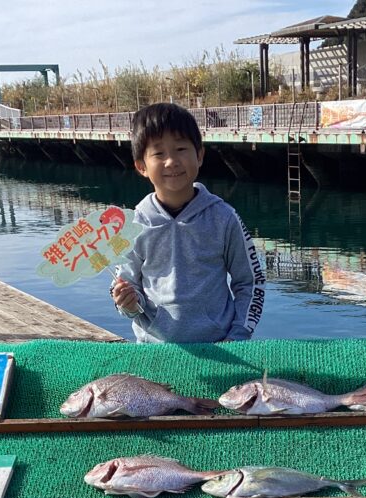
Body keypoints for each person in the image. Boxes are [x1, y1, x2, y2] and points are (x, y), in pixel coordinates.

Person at [110, 102, 265, 343]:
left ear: (200, 155)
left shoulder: (224, 218)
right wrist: (128, 304)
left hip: (220, 346)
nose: (171, 161)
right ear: (141, 166)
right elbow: (128, 289)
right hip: (154, 350)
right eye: (159, 153)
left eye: (181, 148)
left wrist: (238, 336)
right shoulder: (134, 225)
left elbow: (251, 282)